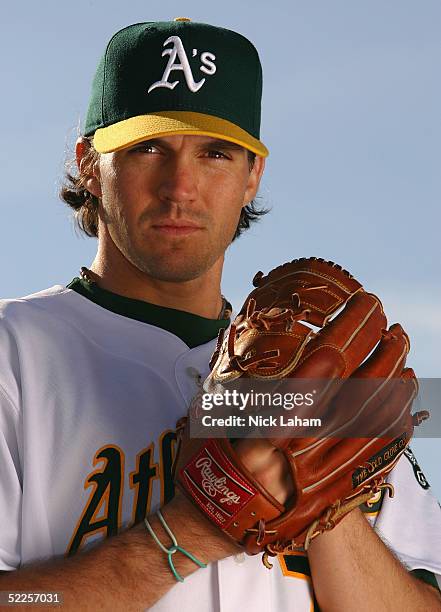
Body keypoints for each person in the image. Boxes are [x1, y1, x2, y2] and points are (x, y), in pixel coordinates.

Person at [0, 18, 440, 611]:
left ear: (253, 174)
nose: (180, 186)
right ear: (89, 164)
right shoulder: (15, 353)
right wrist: (190, 535)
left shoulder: (326, 377)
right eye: (148, 147)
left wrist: (319, 496)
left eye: (215, 153)